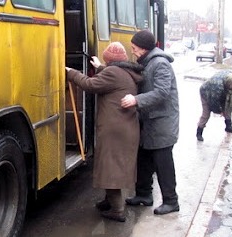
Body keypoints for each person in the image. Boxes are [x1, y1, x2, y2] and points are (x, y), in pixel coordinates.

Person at [66, 42, 143, 222]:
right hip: (124, 127)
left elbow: (90, 85)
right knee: (112, 165)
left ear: (110, 60)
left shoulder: (113, 73)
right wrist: (100, 67)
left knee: (111, 168)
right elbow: (111, 80)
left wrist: (71, 72)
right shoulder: (125, 71)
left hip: (115, 129)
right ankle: (109, 201)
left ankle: (117, 210)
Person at [121, 30, 180, 215]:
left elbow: (162, 92)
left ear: (144, 48)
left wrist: (136, 100)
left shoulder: (160, 64)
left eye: (135, 48)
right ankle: (144, 195)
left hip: (162, 124)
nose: (133, 52)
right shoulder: (148, 62)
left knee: (163, 163)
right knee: (144, 159)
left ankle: (171, 201)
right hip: (150, 122)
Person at [196, 71, 232, 141]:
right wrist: (220, 111)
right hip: (206, 93)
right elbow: (214, 102)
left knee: (228, 107)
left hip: (219, 92)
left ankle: (229, 126)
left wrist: (226, 107)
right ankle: (199, 132)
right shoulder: (218, 87)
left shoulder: (230, 77)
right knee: (206, 114)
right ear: (228, 83)